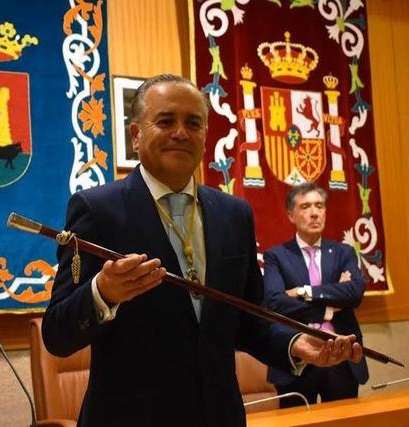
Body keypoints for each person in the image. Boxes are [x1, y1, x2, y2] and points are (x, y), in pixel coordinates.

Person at [42, 74, 363, 427]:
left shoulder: (234, 214)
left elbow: (248, 321)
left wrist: (296, 344)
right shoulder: (96, 208)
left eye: (193, 123)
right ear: (136, 135)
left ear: (205, 136)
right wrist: (101, 294)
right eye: (165, 121)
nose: (181, 132)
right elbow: (57, 334)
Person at [263, 182, 369, 408]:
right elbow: (274, 302)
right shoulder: (276, 256)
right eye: (305, 207)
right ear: (291, 215)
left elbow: (354, 292)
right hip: (297, 356)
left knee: (345, 422)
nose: (314, 213)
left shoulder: (343, 252)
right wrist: (329, 308)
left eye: (319, 206)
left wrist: (304, 292)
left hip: (341, 354)